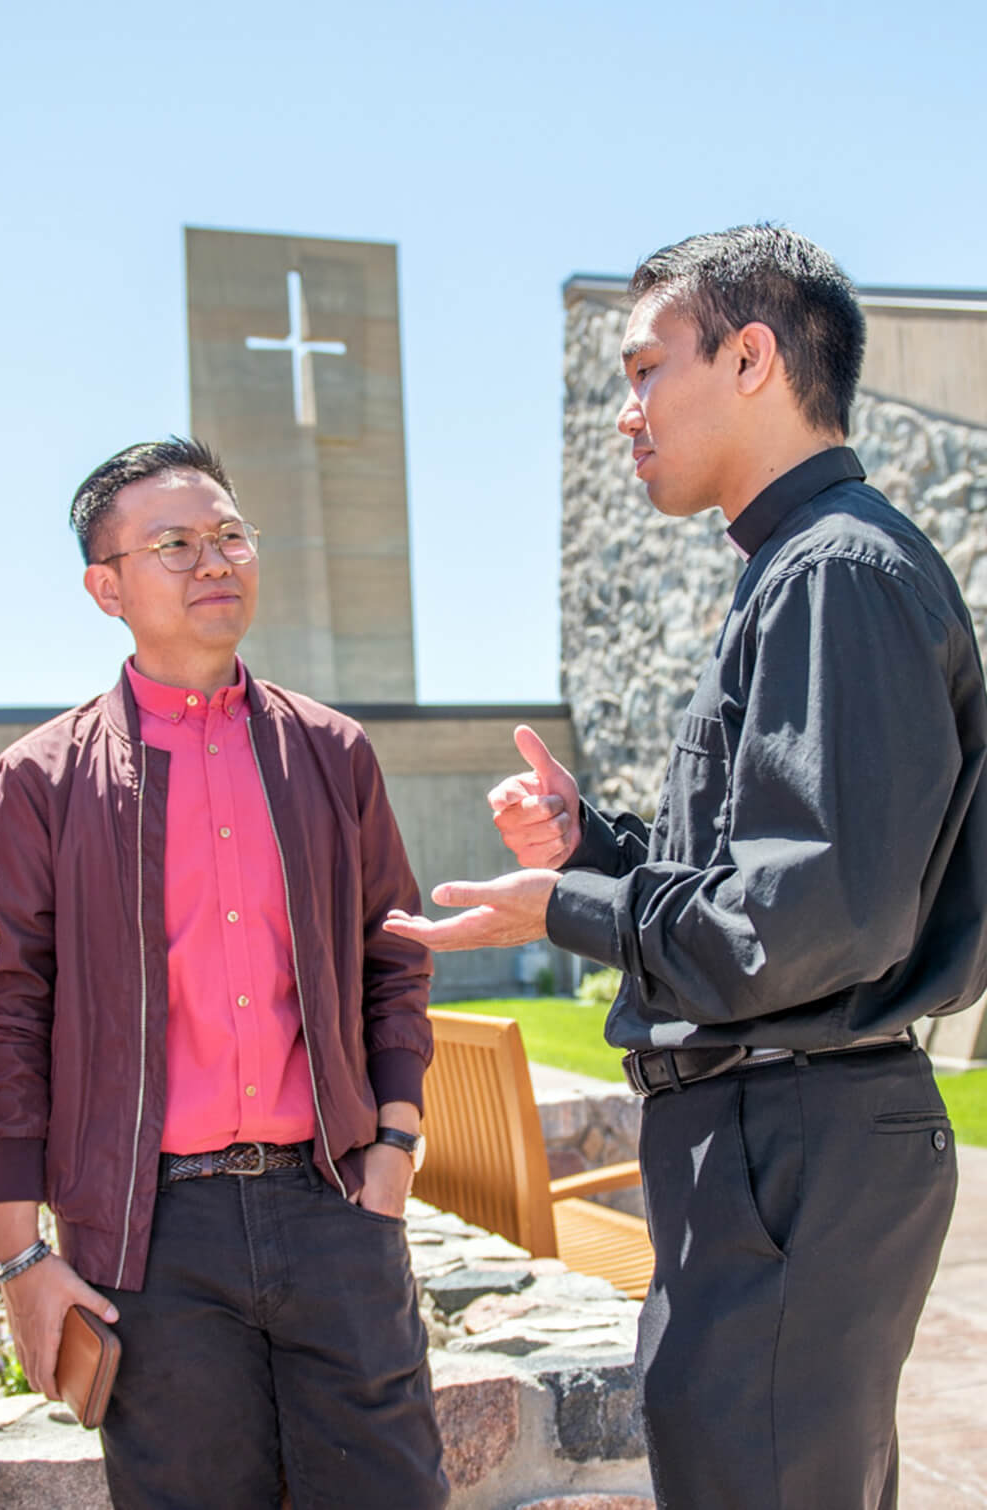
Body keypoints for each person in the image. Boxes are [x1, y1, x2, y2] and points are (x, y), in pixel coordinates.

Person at [385, 225, 987, 1510]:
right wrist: (593, 845)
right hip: (774, 1134)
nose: (626, 412)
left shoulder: (834, 575)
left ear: (754, 357)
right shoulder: (796, 570)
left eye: (647, 369)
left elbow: (809, 920)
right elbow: (760, 874)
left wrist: (571, 904)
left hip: (794, 1129)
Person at [0, 437, 448, 1509]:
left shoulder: (332, 752)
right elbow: (7, 1014)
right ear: (107, 588)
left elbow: (393, 950)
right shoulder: (41, 780)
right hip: (150, 1235)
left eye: (229, 534)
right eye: (174, 544)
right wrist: (20, 1256)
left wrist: (397, 1148)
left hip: (333, 1204)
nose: (214, 560)